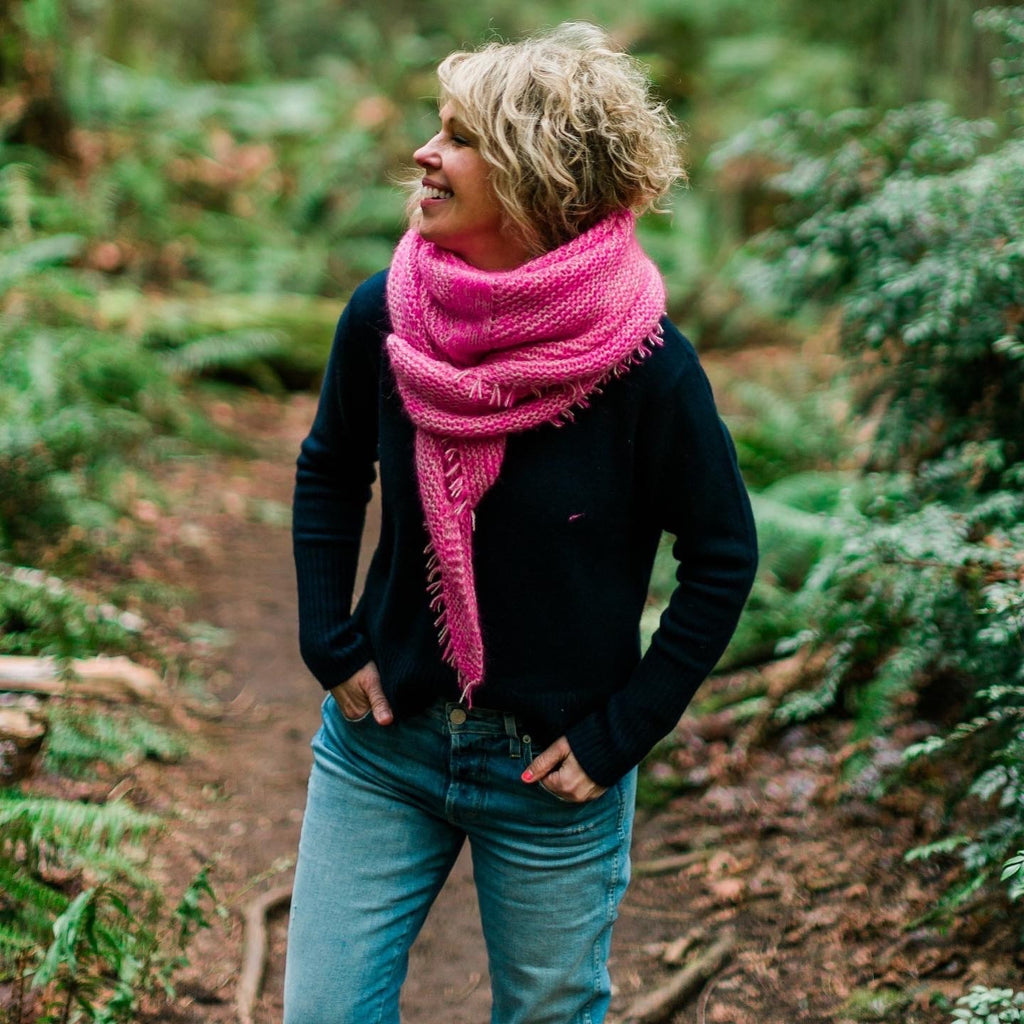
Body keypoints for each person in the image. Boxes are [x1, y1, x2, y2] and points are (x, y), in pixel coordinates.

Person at [284, 22, 757, 1024]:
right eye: (436, 128)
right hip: (383, 748)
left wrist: (623, 732)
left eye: (459, 137)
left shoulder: (647, 365)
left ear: (538, 178)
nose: (424, 152)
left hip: (553, 778)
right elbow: (331, 467)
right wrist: (327, 635)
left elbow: (721, 553)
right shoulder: (386, 315)